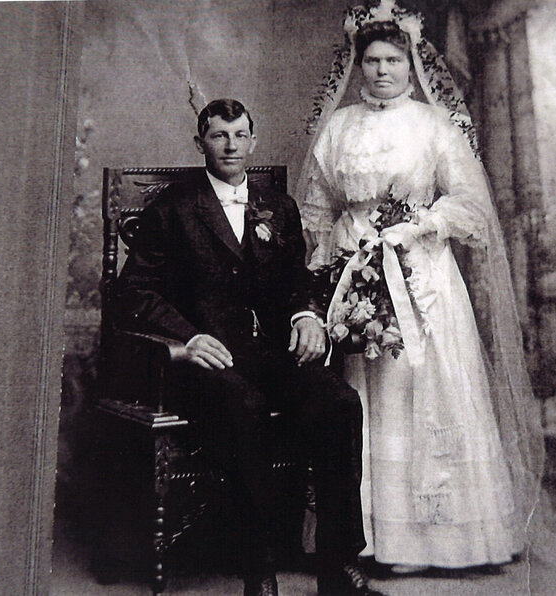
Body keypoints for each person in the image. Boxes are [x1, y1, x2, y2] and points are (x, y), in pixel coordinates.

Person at [296, 1, 543, 573]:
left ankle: (434, 539)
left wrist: (422, 225)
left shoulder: (433, 126)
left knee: (421, 390)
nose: (382, 71)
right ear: (357, 67)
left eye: (393, 60)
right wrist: (334, 260)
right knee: (364, 393)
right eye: (372, 61)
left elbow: (471, 205)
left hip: (423, 277)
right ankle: (365, 538)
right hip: (355, 271)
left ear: (412, 66)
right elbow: (315, 207)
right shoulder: (338, 127)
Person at [115, 98, 386, 596]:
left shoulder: (276, 207)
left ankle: (337, 566)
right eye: (219, 135)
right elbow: (132, 292)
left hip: (268, 355)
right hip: (206, 362)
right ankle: (258, 572)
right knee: (245, 406)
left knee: (340, 403)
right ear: (201, 143)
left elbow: (295, 278)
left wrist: (306, 314)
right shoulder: (173, 209)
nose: (231, 145)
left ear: (253, 141)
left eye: (240, 135)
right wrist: (187, 336)